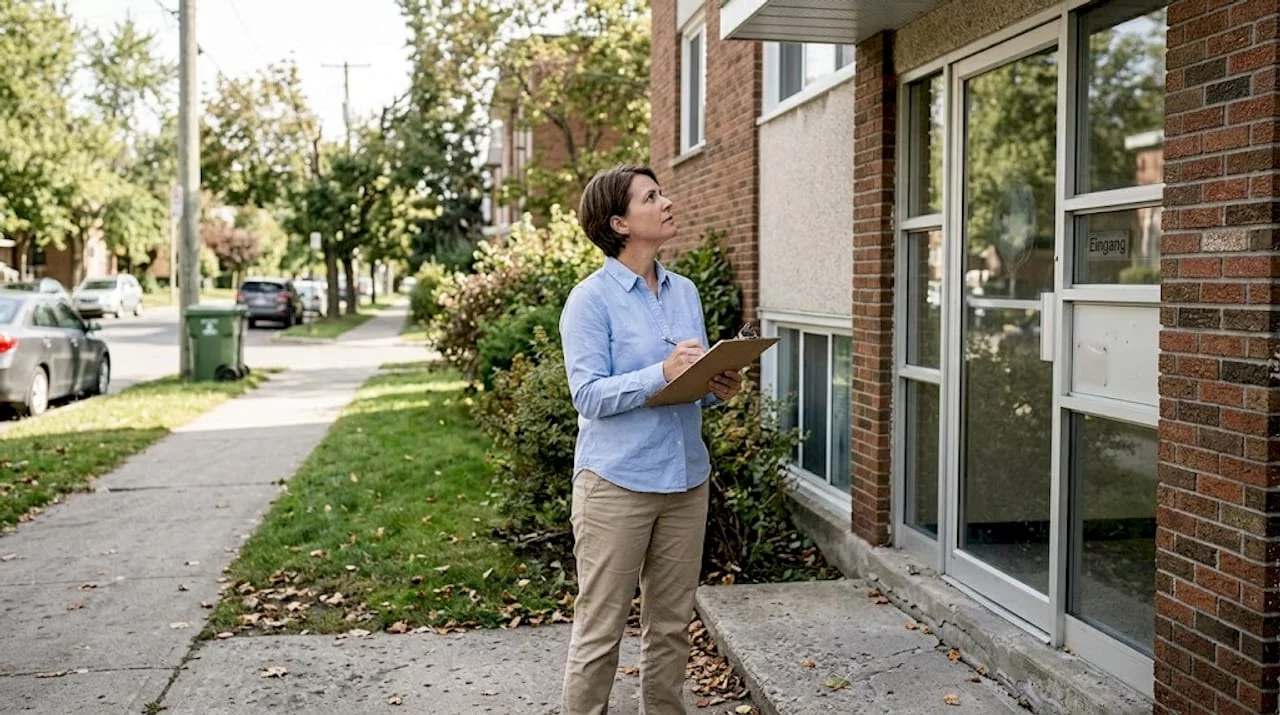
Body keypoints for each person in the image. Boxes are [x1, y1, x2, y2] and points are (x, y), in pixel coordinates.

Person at [559, 165, 742, 714]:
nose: (667, 202)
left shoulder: (684, 292)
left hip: (686, 479)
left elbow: (689, 385)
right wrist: (660, 373)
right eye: (651, 196)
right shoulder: (589, 301)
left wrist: (717, 385)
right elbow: (587, 395)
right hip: (616, 484)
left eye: (661, 193)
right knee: (600, 633)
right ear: (618, 222)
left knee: (670, 628)